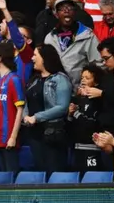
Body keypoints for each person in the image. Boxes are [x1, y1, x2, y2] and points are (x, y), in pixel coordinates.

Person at [23, 45, 73, 174]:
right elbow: (26, 101)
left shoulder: (60, 79)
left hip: (53, 133)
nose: (32, 58)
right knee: (40, 170)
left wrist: (36, 117)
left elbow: (62, 107)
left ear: (44, 58)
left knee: (54, 170)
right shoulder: (34, 79)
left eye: (35, 55)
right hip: (35, 134)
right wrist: (26, 116)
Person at [0, 43, 25, 173]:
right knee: (3, 176)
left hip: (9, 138)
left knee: (12, 176)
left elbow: (20, 110)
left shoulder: (14, 79)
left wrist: (13, 137)